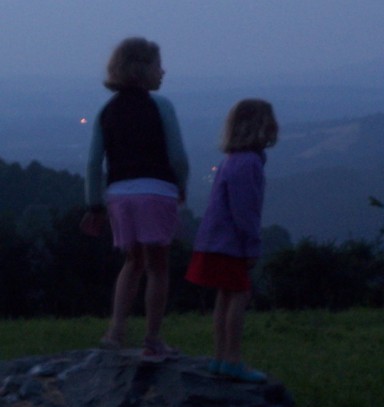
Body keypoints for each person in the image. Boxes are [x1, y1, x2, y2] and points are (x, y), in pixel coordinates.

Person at [80, 37, 189, 362]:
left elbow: (92, 163)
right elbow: (178, 157)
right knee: (158, 266)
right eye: (158, 64)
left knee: (132, 262)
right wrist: (180, 186)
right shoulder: (162, 106)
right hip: (157, 192)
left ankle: (115, 332)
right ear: (142, 69)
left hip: (119, 196)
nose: (163, 71)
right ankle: (153, 339)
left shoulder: (106, 109)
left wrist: (94, 205)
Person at [185, 99, 278, 382]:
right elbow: (245, 212)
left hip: (213, 242)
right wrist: (252, 245)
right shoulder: (249, 164)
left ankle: (220, 357)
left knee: (224, 298)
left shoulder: (232, 161)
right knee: (238, 296)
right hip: (230, 245)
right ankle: (233, 359)